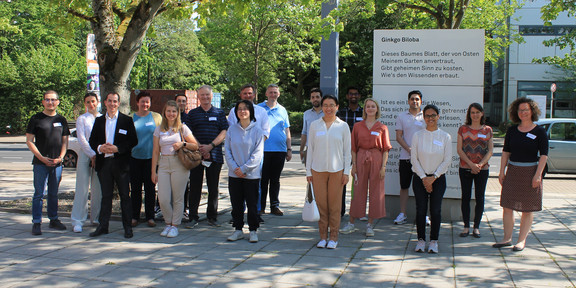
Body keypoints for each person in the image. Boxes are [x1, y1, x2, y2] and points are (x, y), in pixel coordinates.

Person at [493, 97, 548, 252]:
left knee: (527, 208)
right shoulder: (512, 130)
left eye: (526, 109)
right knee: (507, 206)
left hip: (530, 172)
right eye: (520, 110)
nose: (523, 112)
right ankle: (506, 238)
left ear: (532, 111)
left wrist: (538, 175)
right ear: (516, 112)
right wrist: (502, 171)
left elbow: (544, 155)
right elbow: (505, 152)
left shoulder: (539, 131)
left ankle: (521, 240)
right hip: (513, 172)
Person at [89, 92, 138, 239]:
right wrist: (100, 148)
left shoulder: (126, 121)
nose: (112, 104)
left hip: (121, 164)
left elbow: (133, 141)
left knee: (125, 196)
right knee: (106, 196)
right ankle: (103, 226)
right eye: (109, 101)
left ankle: (127, 227)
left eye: (115, 101)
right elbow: (92, 141)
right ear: (105, 103)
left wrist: (118, 148)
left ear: (118, 103)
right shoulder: (98, 121)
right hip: (104, 163)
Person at [340, 99, 392, 237]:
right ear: (364, 109)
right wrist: (354, 165)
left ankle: (370, 225)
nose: (370, 108)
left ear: (377, 109)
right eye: (368, 106)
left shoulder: (382, 127)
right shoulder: (357, 126)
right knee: (357, 191)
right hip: (361, 157)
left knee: (376, 192)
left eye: (372, 106)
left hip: (376, 158)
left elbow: (386, 149)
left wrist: (383, 167)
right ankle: (351, 223)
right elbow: (353, 148)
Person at [306, 95, 351, 249]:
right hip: (317, 170)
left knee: (335, 206)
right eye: (325, 105)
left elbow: (347, 152)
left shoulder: (343, 126)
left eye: (332, 105)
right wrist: (308, 172)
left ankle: (334, 237)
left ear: (337, 107)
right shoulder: (314, 125)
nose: (328, 108)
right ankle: (323, 237)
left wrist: (346, 172)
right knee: (321, 205)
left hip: (336, 170)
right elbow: (310, 149)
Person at [151, 100, 199, 238]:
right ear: (164, 112)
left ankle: (174, 225)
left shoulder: (182, 128)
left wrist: (183, 143)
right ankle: (167, 223)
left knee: (178, 197)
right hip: (164, 163)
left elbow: (195, 145)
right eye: (168, 111)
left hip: (179, 163)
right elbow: (155, 151)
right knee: (163, 198)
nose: (171, 114)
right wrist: (153, 171)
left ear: (178, 113)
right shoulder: (159, 129)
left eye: (174, 111)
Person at [26, 90, 70, 235]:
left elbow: (65, 142)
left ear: (58, 102)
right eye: (47, 100)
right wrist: (41, 158)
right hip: (40, 163)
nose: (50, 102)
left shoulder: (61, 120)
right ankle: (36, 222)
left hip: (57, 163)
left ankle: (53, 219)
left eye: (53, 100)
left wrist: (61, 158)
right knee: (39, 193)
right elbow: (29, 141)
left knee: (53, 193)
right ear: (43, 102)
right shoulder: (36, 119)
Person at [186, 85, 228, 228]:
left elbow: (224, 131)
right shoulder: (192, 113)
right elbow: (188, 133)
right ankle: (193, 217)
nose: (205, 97)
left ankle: (212, 217)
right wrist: (200, 148)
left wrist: (210, 146)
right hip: (196, 156)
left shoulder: (219, 113)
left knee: (213, 187)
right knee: (195, 187)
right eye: (202, 95)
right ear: (198, 96)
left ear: (211, 96)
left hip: (215, 155)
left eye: (207, 95)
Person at [411, 104, 452, 254]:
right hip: (419, 178)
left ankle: (434, 240)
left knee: (435, 210)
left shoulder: (445, 137)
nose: (430, 118)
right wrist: (424, 178)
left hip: (438, 179)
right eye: (427, 116)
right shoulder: (417, 136)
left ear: (438, 116)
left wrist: (433, 178)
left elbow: (447, 160)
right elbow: (414, 159)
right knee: (420, 210)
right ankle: (421, 240)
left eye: (433, 115)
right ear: (423, 117)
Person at [227, 84, 270, 223]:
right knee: (237, 197)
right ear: (241, 94)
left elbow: (265, 132)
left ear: (254, 95)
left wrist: (247, 165)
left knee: (253, 192)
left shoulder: (261, 112)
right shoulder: (233, 116)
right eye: (244, 93)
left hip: (253, 160)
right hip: (236, 164)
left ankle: (254, 217)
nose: (247, 95)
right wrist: (236, 168)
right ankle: (237, 220)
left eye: (250, 93)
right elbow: (228, 148)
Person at [225, 100, 265, 243]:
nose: (242, 111)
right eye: (239, 109)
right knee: (236, 204)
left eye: (245, 109)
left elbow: (257, 154)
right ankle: (237, 229)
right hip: (234, 174)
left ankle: (253, 230)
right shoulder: (231, 130)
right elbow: (227, 151)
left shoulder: (257, 131)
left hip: (251, 175)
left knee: (252, 204)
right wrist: (235, 168)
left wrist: (244, 169)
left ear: (250, 112)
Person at [457, 103, 493, 238]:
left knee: (480, 197)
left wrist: (480, 165)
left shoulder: (487, 130)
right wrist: (471, 164)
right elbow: (459, 150)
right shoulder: (463, 129)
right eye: (472, 112)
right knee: (465, 197)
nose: (475, 115)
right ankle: (466, 226)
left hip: (482, 170)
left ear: (482, 113)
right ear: (469, 114)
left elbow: (490, 150)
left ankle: (476, 227)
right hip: (465, 168)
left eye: (478, 112)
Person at [70, 92, 102, 233]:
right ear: (85, 104)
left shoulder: (103, 118)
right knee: (82, 188)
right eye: (88, 102)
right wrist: (91, 155)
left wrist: (97, 154)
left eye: (93, 101)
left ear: (98, 102)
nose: (91, 104)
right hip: (85, 154)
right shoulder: (82, 119)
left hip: (100, 154)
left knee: (98, 188)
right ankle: (78, 220)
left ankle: (96, 218)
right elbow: (82, 139)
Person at [393, 90, 426, 225]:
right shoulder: (401, 116)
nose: (415, 101)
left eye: (417, 99)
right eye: (412, 99)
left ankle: (423, 215)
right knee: (404, 186)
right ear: (408, 101)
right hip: (405, 158)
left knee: (423, 187)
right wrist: (408, 149)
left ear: (421, 101)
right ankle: (402, 214)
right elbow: (398, 136)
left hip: (422, 159)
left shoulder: (426, 116)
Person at [258, 84, 292, 216]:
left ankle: (274, 206)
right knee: (263, 179)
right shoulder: (259, 108)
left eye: (275, 92)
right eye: (271, 92)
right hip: (263, 150)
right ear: (266, 94)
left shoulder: (282, 110)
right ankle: (260, 207)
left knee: (275, 180)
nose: (273, 95)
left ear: (279, 94)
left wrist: (289, 149)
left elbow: (287, 130)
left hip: (280, 150)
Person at [130, 92, 162, 228]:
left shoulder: (156, 117)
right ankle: (134, 216)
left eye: (147, 102)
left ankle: (150, 216)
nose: (145, 104)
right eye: (142, 102)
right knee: (136, 189)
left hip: (151, 159)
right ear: (137, 103)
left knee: (150, 188)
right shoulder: (131, 118)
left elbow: (162, 135)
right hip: (135, 158)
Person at [336, 86, 363, 217]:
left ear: (359, 96)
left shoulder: (364, 113)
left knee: (360, 181)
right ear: (347, 96)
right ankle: (340, 210)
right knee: (342, 180)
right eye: (351, 94)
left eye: (356, 94)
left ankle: (359, 211)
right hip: (343, 151)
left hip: (360, 151)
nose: (353, 96)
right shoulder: (340, 113)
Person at [300, 88, 324, 165]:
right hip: (310, 149)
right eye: (313, 97)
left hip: (325, 149)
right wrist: (301, 150)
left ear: (321, 98)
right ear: (310, 99)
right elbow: (304, 132)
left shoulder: (327, 113)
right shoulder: (306, 114)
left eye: (317, 97)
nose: (315, 99)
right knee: (310, 175)